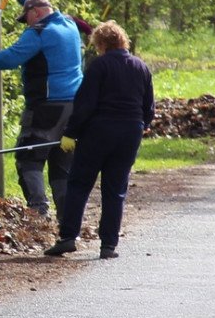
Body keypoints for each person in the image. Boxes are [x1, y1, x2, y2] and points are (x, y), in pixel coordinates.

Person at [0, 0, 84, 216]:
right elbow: (43, 8)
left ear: (37, 14)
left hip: (46, 109)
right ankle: (68, 221)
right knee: (62, 166)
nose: (27, 24)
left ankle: (39, 212)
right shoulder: (69, 24)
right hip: (74, 109)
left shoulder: (39, 33)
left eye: (28, 19)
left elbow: (11, 58)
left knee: (28, 158)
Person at [45, 22, 153, 260]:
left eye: (97, 45)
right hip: (130, 132)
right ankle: (108, 245)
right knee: (115, 189)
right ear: (123, 41)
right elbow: (148, 107)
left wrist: (71, 132)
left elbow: (85, 103)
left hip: (99, 131)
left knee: (79, 183)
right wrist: (142, 125)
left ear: (102, 44)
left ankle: (68, 237)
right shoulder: (141, 67)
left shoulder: (99, 66)